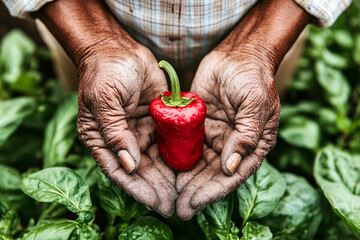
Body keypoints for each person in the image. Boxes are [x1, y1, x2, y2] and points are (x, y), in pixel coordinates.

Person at [3, 0, 351, 220]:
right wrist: (95, 46)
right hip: (84, 29)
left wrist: (259, 49)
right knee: (97, 108)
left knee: (255, 109)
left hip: (269, 28)